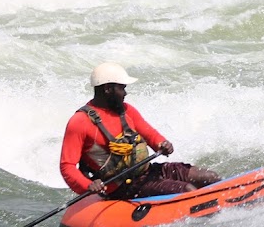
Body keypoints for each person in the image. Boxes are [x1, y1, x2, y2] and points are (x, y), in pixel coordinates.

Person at [60, 62, 221, 199]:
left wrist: (162, 144)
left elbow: (150, 134)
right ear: (108, 89)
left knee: (210, 177)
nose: (125, 93)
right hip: (122, 187)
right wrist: (88, 185)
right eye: (122, 88)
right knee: (188, 191)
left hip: (149, 172)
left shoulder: (126, 110)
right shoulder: (80, 122)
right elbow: (67, 166)